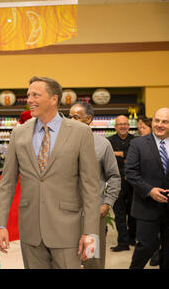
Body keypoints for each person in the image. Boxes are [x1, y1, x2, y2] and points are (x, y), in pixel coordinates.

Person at [0, 76, 100, 269]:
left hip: (68, 230)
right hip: (30, 230)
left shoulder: (80, 132)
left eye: (36, 95)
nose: (29, 100)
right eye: (28, 95)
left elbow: (91, 187)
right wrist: (0, 225)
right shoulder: (19, 133)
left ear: (54, 99)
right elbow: (7, 183)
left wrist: (90, 232)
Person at [69, 101, 121, 269]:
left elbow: (114, 176)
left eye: (75, 117)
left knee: (92, 259)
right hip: (64, 214)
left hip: (92, 214)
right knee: (66, 259)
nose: (70, 120)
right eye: (68, 117)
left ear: (88, 119)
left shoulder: (102, 145)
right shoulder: (60, 144)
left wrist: (107, 203)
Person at [125, 108, 169, 269]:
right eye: (157, 120)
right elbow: (130, 172)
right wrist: (149, 190)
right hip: (146, 205)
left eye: (165, 121)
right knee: (146, 246)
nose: (160, 124)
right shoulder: (138, 143)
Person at [108, 115, 136, 251]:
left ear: (128, 126)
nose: (123, 126)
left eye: (125, 124)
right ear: (115, 127)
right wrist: (125, 155)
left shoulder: (136, 141)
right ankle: (123, 242)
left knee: (133, 212)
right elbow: (107, 159)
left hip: (133, 182)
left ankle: (132, 238)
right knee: (118, 213)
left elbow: (133, 158)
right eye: (120, 124)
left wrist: (118, 154)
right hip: (116, 182)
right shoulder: (109, 141)